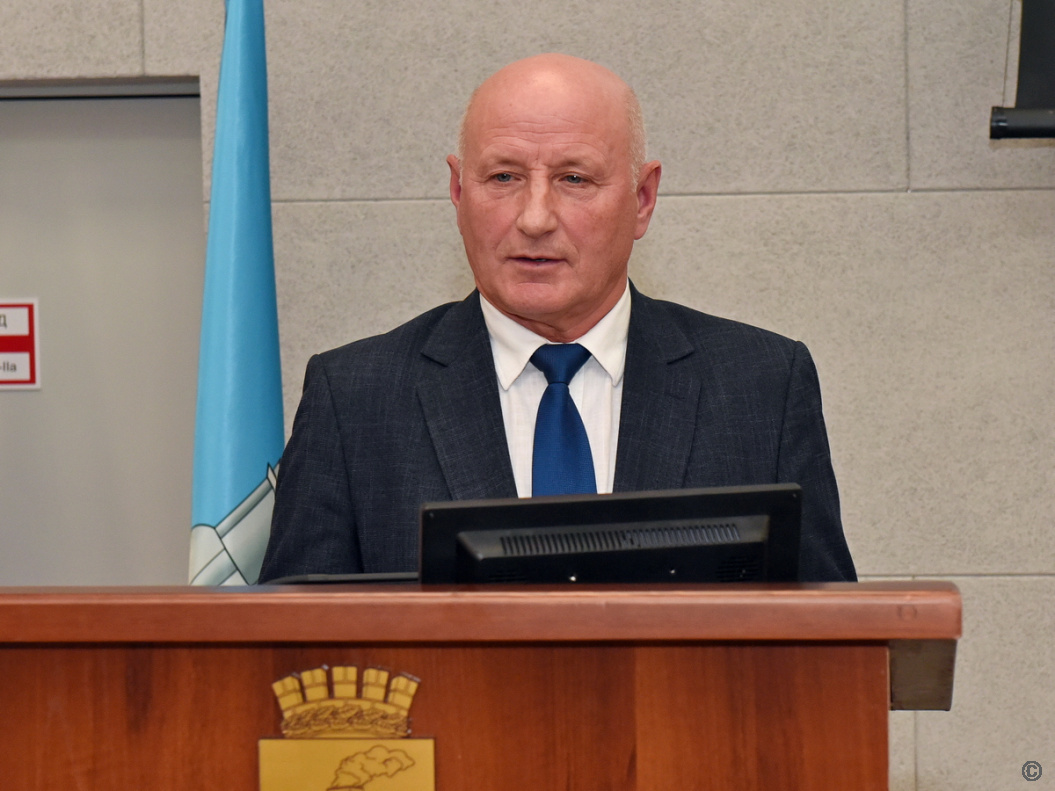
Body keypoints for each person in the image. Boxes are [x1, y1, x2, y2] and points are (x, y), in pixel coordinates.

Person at [259, 54, 856, 583]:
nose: (535, 218)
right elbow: (293, 646)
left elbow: (831, 638)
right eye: (504, 177)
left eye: (574, 179)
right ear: (459, 192)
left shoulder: (761, 385)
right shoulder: (355, 398)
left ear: (642, 198)